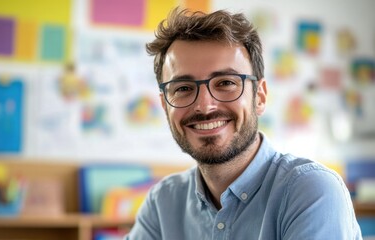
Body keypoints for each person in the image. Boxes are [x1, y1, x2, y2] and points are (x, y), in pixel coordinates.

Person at [126, 7, 362, 240]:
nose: (205, 106)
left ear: (259, 96)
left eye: (226, 83)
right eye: (183, 89)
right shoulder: (163, 202)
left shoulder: (311, 190)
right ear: (165, 105)